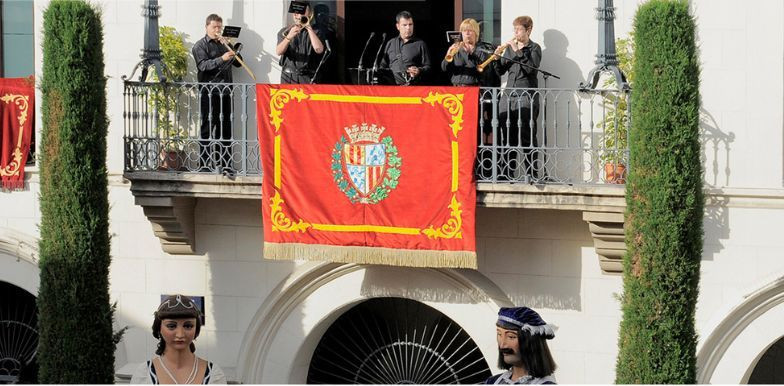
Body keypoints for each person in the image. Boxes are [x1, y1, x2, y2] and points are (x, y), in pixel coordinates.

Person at [131, 294, 226, 384]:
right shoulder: (144, 374)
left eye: (188, 326)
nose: (180, 334)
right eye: (171, 326)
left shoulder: (213, 375)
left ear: (196, 329)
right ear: (159, 328)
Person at [192, 14, 242, 174]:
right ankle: (205, 165)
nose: (217, 30)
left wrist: (230, 47)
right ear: (206, 27)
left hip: (226, 92)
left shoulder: (223, 44)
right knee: (207, 127)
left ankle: (225, 165)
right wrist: (222, 58)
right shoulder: (200, 46)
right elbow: (203, 66)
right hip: (209, 91)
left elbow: (239, 63)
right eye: (214, 27)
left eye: (219, 27)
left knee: (225, 128)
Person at [495, 16, 542, 182]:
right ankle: (507, 174)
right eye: (514, 29)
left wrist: (517, 50)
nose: (515, 32)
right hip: (508, 96)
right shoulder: (509, 50)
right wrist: (496, 58)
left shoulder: (534, 48)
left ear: (528, 30)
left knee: (527, 134)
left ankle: (532, 173)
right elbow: (500, 71)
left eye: (519, 29)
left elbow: (531, 69)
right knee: (508, 136)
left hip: (526, 95)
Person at [486, 306, 557, 384]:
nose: (502, 345)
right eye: (499, 334)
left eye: (511, 337)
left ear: (531, 342)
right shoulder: (492, 381)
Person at [276, 1, 326, 84]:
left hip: (308, 77)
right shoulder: (284, 31)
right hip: (288, 77)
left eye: (301, 12)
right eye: (295, 12)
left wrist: (308, 26)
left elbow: (319, 50)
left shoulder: (316, 32)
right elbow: (278, 52)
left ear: (309, 14)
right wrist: (289, 37)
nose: (296, 15)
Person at [379, 11, 432, 86]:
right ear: (398, 26)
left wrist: (419, 70)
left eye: (410, 24)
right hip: (391, 88)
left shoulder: (420, 44)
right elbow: (383, 66)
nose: (408, 28)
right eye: (405, 25)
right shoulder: (390, 43)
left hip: (411, 88)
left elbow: (428, 67)